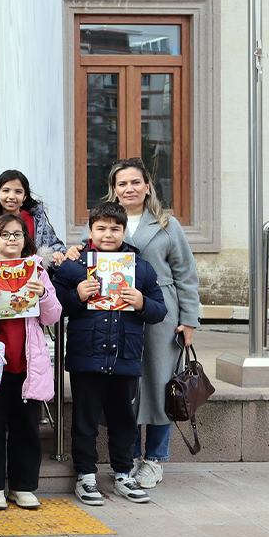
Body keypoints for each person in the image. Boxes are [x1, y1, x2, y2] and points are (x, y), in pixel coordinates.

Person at [52, 202, 166, 507]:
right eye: (101, 228)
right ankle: (85, 475)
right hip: (86, 355)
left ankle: (123, 473)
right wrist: (76, 296)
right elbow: (53, 305)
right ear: (90, 231)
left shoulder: (139, 267)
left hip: (125, 357)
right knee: (85, 419)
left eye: (115, 228)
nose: (108, 234)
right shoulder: (74, 265)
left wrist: (142, 302)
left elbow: (160, 310)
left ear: (124, 231)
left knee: (124, 420)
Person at [104, 158, 200, 489]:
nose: (129, 189)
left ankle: (156, 459)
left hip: (163, 314)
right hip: (119, 312)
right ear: (114, 189)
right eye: (122, 184)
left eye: (135, 182)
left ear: (147, 186)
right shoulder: (108, 221)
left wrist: (189, 320)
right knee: (127, 388)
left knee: (161, 385)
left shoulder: (166, 224)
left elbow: (186, 274)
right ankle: (127, 457)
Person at [0, 214, 61, 511]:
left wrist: (42, 294)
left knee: (27, 425)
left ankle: (23, 485)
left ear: (26, 240)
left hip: (28, 362)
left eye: (17, 235)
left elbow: (53, 315)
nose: (12, 240)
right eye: (5, 235)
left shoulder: (36, 271)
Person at [0, 170, 68, 265]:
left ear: (25, 196)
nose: (11, 196)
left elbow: (56, 246)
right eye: (6, 191)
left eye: (18, 192)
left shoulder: (36, 222)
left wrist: (55, 254)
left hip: (30, 275)